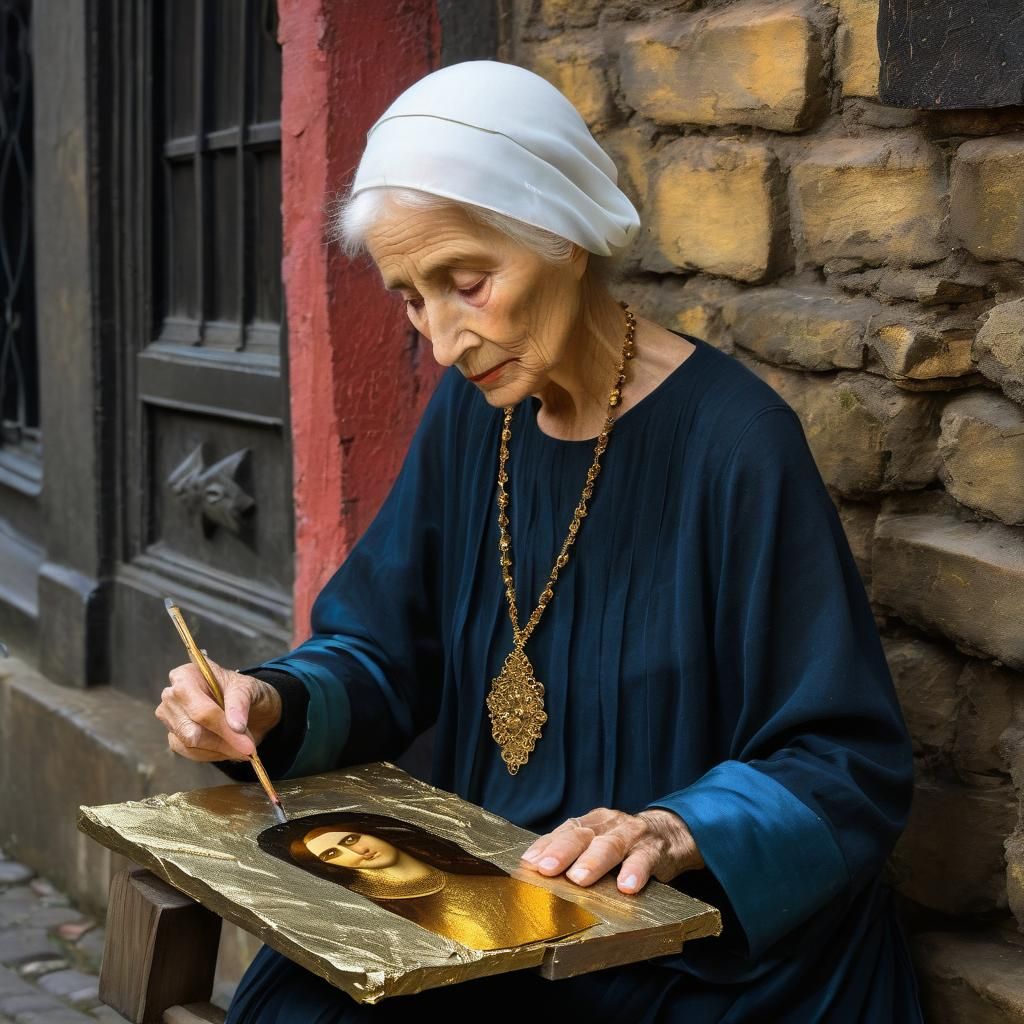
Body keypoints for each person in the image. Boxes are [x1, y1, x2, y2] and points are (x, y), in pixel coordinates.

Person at [154, 59, 923, 1022]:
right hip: (493, 900)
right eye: (411, 298)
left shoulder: (735, 442)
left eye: (467, 284)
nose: (444, 341)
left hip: (686, 943)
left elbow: (843, 759)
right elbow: (385, 650)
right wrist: (271, 702)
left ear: (562, 234)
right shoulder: (476, 413)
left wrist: (672, 829)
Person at [255, 814, 600, 951]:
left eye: (350, 839)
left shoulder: (480, 876)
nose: (356, 851)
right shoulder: (365, 911)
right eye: (333, 854)